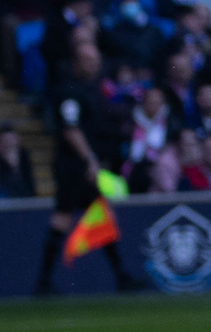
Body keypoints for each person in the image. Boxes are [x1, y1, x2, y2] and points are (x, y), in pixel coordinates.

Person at [37, 41, 142, 295]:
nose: (94, 66)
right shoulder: (70, 91)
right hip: (73, 166)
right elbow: (71, 130)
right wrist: (90, 160)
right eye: (88, 61)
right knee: (63, 216)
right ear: (76, 63)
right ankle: (44, 282)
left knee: (102, 214)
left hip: (87, 164)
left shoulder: (93, 89)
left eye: (96, 61)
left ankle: (122, 276)